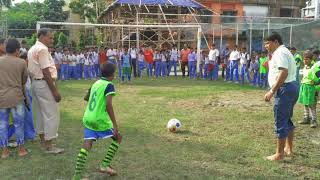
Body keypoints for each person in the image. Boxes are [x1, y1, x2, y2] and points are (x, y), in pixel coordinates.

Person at [72, 63, 122, 179]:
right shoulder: (109, 85)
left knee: (87, 144)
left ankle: (77, 176)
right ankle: (104, 165)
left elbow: (86, 98)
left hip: (88, 118)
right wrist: (114, 124)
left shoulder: (96, 83)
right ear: (112, 75)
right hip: (100, 120)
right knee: (118, 137)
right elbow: (109, 105)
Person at [28, 28, 64, 154]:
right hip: (44, 83)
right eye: (50, 37)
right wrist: (54, 91)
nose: (52, 40)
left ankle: (43, 141)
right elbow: (45, 71)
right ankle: (49, 145)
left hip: (36, 84)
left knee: (40, 113)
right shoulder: (42, 49)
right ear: (42, 36)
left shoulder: (32, 48)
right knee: (51, 114)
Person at [264, 32, 299, 161]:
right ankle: (288, 148)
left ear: (276, 42)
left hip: (285, 89)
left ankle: (279, 154)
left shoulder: (280, 53)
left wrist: (272, 91)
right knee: (287, 119)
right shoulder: (283, 52)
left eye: (268, 43)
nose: (266, 46)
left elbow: (283, 72)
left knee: (280, 120)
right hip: (291, 87)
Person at [0, 39, 29, 159]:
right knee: (19, 124)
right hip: (17, 98)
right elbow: (24, 80)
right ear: (17, 50)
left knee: (2, 125)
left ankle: (5, 151)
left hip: (2, 98)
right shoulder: (21, 63)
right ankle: (21, 150)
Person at [297, 50, 318, 128]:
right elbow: (303, 76)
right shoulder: (304, 67)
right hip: (304, 86)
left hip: (311, 88)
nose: (305, 61)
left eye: (307, 59)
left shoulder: (314, 67)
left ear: (311, 59)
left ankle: (314, 120)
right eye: (304, 59)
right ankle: (306, 118)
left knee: (312, 104)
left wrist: (316, 83)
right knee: (305, 103)